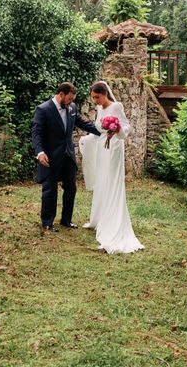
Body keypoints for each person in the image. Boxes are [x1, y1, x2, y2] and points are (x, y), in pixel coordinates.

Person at [79, 81, 144, 254]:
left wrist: (117, 129)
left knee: (112, 181)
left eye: (97, 97)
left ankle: (113, 221)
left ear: (105, 94)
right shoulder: (100, 109)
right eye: (93, 98)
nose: (95, 101)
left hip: (114, 147)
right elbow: (98, 127)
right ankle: (100, 217)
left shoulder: (116, 106)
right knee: (102, 180)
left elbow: (127, 126)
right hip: (102, 146)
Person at [31, 82, 100, 232]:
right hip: (50, 157)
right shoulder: (43, 109)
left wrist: (103, 131)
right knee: (50, 190)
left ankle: (66, 220)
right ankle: (47, 222)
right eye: (69, 99)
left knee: (71, 188)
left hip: (68, 156)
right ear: (60, 94)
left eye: (72, 100)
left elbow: (83, 123)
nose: (71, 103)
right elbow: (36, 134)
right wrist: (40, 152)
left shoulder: (72, 108)